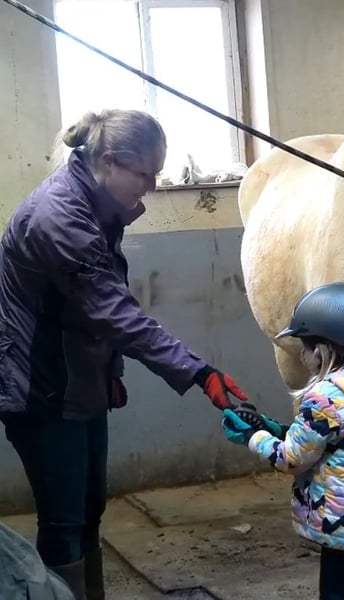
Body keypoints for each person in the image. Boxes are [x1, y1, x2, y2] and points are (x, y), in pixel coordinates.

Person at [0, 110, 250, 599]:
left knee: (89, 509)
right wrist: (200, 373)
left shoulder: (97, 204)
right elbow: (115, 313)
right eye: (146, 174)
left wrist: (108, 370)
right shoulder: (58, 217)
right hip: (42, 389)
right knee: (64, 519)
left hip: (77, 382)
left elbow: (89, 310)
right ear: (110, 162)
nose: (153, 187)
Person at [221, 282, 344, 600]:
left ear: (322, 350)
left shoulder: (324, 397)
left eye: (304, 346)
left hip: (343, 522)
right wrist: (279, 429)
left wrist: (253, 437)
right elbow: (340, 439)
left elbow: (291, 459)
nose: (302, 354)